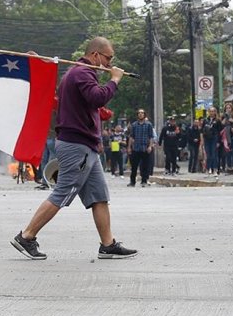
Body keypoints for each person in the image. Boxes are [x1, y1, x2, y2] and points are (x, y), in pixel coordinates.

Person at [10, 37, 136, 261]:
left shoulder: (79, 73)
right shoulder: (81, 74)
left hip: (86, 145)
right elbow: (98, 98)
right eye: (108, 59)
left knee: (99, 196)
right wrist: (115, 80)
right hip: (76, 146)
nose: (109, 64)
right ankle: (27, 236)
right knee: (63, 192)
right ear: (96, 55)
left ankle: (108, 244)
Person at [127, 108, 154, 187]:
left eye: (142, 113)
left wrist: (150, 146)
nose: (140, 114)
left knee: (145, 166)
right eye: (139, 113)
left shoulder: (148, 124)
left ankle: (144, 181)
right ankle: (132, 182)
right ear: (137, 115)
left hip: (145, 148)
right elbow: (131, 137)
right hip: (136, 148)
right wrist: (129, 147)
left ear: (144, 114)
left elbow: (151, 137)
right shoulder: (134, 125)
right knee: (134, 166)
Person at [202, 108, 222, 175]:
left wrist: (218, 141)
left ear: (215, 112)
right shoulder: (205, 120)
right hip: (207, 139)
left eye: (213, 111)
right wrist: (202, 140)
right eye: (210, 111)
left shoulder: (217, 121)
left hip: (214, 139)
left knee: (214, 155)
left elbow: (219, 132)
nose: (211, 113)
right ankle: (208, 169)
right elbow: (202, 130)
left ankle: (215, 169)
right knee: (208, 155)